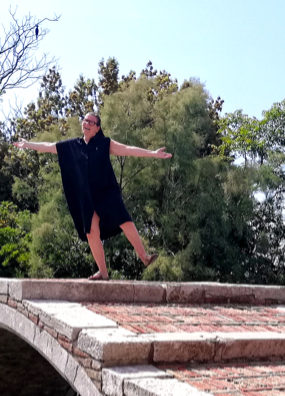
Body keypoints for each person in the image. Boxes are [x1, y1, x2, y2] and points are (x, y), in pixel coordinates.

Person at [14, 113, 171, 280]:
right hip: (87, 196)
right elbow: (49, 145)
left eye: (91, 121)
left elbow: (127, 150)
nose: (87, 123)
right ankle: (103, 273)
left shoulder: (104, 143)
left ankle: (144, 257)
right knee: (91, 232)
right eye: (85, 120)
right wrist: (27, 144)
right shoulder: (73, 145)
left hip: (107, 192)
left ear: (97, 128)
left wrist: (153, 153)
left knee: (124, 220)